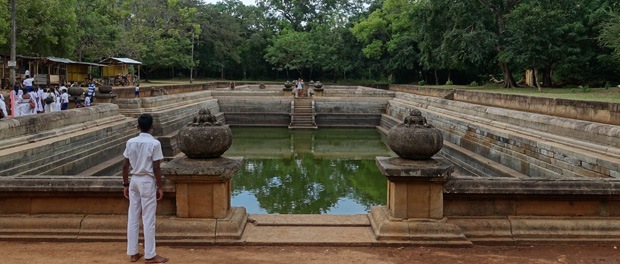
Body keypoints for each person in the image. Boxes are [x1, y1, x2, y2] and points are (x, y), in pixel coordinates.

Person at [122, 114, 168, 264]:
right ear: (152, 126)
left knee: (133, 217)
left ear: (138, 126)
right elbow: (156, 168)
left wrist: (125, 184)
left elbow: (125, 165)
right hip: (147, 181)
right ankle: (150, 255)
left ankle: (133, 253)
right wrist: (160, 187)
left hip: (134, 180)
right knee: (148, 219)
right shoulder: (154, 143)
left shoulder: (130, 142)